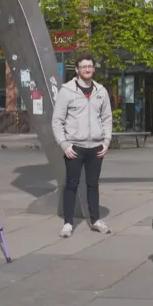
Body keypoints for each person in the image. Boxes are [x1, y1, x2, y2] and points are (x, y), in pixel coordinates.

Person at [51, 52, 113, 238]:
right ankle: (68, 223)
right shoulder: (67, 91)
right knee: (71, 184)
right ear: (77, 69)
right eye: (84, 66)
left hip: (96, 147)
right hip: (74, 147)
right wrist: (64, 144)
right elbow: (57, 121)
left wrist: (106, 141)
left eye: (90, 66)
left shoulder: (101, 91)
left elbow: (107, 118)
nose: (87, 69)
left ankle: (95, 220)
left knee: (93, 184)